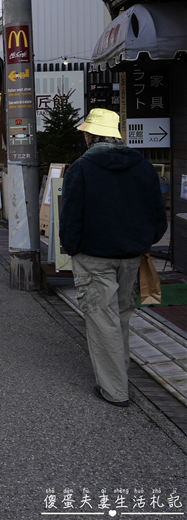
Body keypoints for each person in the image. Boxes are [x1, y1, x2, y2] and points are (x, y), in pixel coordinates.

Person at [59, 108, 167, 407]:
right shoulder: (143, 167)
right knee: (120, 317)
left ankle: (115, 390)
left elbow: (70, 217)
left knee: (101, 319)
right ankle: (118, 375)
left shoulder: (81, 168)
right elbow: (159, 217)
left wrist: (71, 247)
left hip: (93, 255)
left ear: (89, 135)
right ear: (116, 135)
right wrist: (142, 241)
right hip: (132, 255)